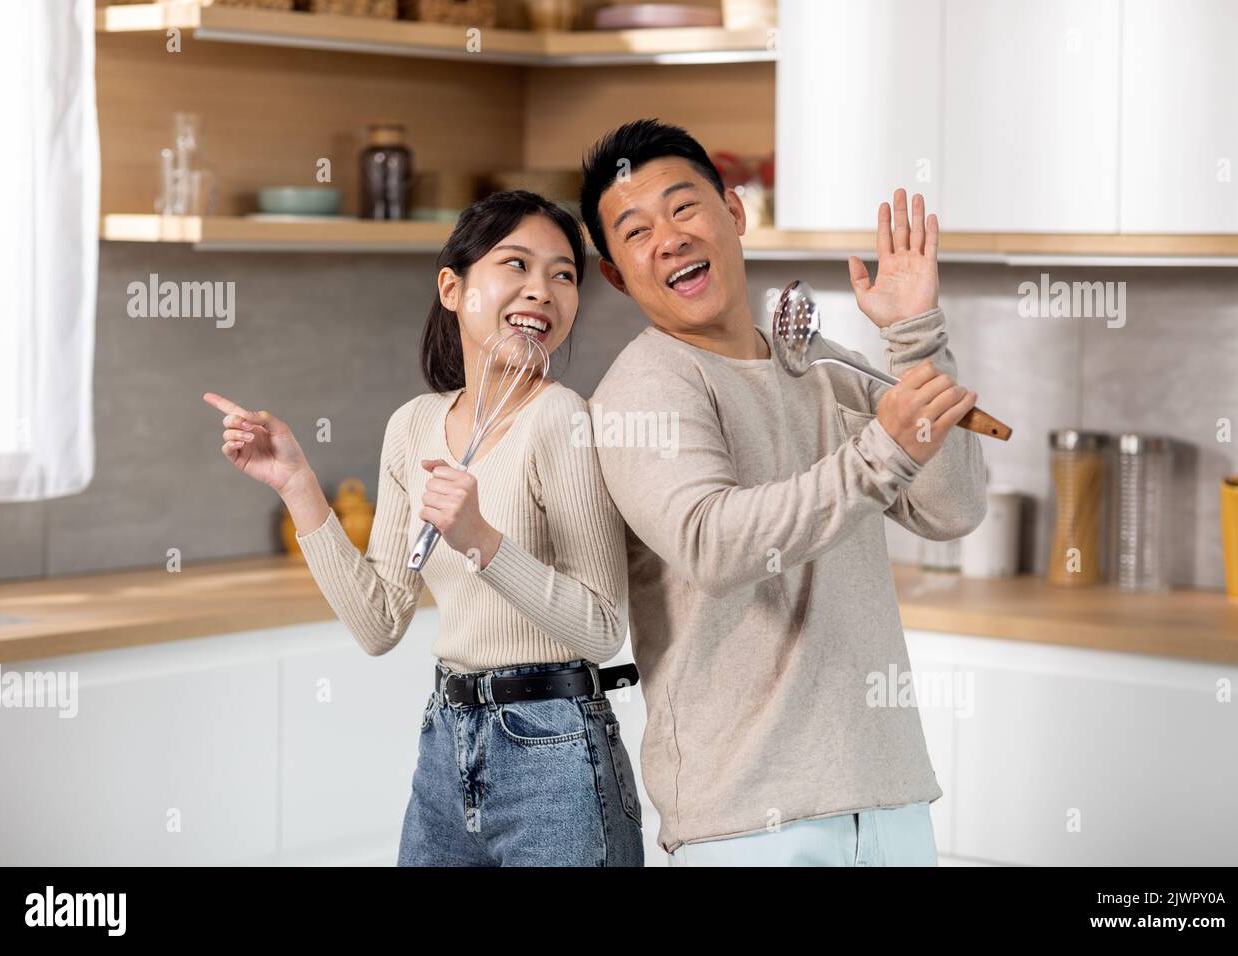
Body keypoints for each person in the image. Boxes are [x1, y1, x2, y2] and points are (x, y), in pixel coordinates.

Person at [581, 119, 988, 866]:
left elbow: (951, 508)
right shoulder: (642, 391)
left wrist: (916, 338)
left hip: (888, 792)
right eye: (635, 231)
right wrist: (883, 450)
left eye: (683, 207)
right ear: (614, 273)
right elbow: (714, 544)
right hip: (749, 823)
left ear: (734, 214)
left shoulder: (821, 365)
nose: (668, 238)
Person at [203, 190, 644, 867]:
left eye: (563, 274)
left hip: (556, 748)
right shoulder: (412, 426)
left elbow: (602, 624)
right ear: (452, 286)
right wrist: (297, 484)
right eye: (516, 265)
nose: (543, 291)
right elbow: (380, 621)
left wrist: (480, 541)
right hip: (448, 740)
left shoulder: (562, 419)